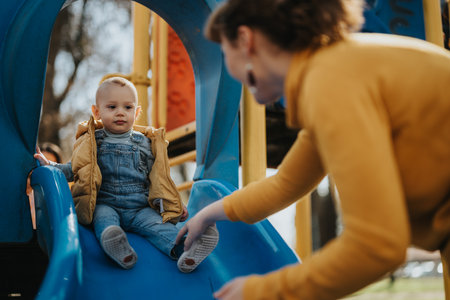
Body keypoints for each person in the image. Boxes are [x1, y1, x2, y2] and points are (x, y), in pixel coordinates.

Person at [175, 0, 450, 299]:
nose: (229, 69)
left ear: (245, 39)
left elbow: (377, 246)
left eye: (224, 53)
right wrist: (209, 214)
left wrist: (259, 291)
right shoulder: (338, 66)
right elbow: (284, 185)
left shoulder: (330, 81)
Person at [35, 77, 218, 272]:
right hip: (105, 203)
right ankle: (117, 246)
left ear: (137, 112)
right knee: (104, 221)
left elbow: (158, 179)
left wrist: (173, 203)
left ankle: (187, 250)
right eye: (112, 107)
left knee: (159, 227)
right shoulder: (91, 142)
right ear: (96, 112)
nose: (120, 112)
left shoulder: (145, 143)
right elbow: (76, 169)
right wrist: (52, 166)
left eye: (128, 108)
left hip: (140, 207)